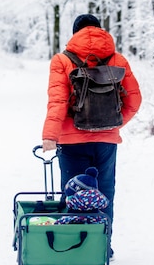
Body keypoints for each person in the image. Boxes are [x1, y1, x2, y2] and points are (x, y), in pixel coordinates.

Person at [42, 14, 142, 245]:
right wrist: (112, 124)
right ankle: (102, 248)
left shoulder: (62, 60)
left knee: (74, 192)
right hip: (106, 142)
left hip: (71, 142)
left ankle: (76, 247)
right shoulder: (118, 60)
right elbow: (134, 101)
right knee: (105, 192)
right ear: (100, 30)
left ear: (75, 32)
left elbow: (57, 101)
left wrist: (50, 136)